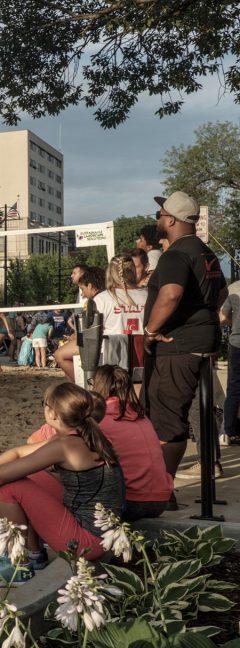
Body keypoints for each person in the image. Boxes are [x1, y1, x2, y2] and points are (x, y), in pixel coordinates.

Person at [0, 382, 124, 584]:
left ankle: (18, 565)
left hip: (89, 543)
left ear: (53, 414)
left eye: (45, 404)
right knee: (31, 477)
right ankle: (35, 556)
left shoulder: (66, 445)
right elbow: (17, 453)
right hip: (100, 531)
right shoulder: (83, 435)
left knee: (9, 486)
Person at [143, 191, 226, 484]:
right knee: (186, 412)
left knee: (166, 418)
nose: (159, 218)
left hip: (178, 346)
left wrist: (151, 330)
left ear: (172, 219)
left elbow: (171, 294)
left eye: (162, 213)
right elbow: (222, 293)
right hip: (203, 340)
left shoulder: (176, 253)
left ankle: (161, 488)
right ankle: (183, 477)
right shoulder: (206, 253)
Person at [28, 366, 173, 521]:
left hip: (127, 501)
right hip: (161, 499)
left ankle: (37, 540)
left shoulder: (96, 418)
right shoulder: (141, 416)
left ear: (97, 387)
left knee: (36, 471)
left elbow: (33, 441)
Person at [93, 255, 147, 378]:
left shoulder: (102, 299)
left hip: (112, 359)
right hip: (142, 355)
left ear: (110, 272)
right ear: (133, 271)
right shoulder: (148, 295)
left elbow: (94, 333)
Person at [54, 268, 105, 380]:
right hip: (107, 340)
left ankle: (82, 384)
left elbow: (90, 330)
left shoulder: (95, 302)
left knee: (59, 355)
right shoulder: (108, 297)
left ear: (90, 286)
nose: (82, 294)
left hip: (98, 342)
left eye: (83, 289)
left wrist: (76, 336)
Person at [221, 277, 240, 443]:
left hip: (237, 343)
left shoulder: (233, 288)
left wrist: (234, 323)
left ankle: (230, 431)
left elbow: (222, 317)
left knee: (234, 388)